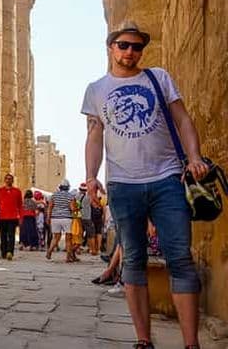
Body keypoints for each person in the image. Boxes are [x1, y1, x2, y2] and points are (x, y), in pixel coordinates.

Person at [82, 21, 208, 349]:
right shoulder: (96, 89)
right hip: (123, 185)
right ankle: (143, 340)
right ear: (111, 48)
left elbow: (182, 119)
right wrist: (92, 175)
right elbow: (95, 135)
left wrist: (194, 156)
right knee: (134, 260)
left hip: (167, 179)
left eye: (136, 47)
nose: (130, 52)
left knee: (180, 257)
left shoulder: (159, 78)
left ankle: (191, 343)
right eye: (123, 45)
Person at [0, 173, 22, 260]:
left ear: (12, 181)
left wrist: (21, 217)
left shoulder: (17, 191)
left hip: (13, 217)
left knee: (11, 235)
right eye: (6, 178)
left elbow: (20, 206)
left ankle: (10, 252)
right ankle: (3, 253)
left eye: (10, 179)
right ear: (4, 180)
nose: (8, 180)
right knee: (3, 236)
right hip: (2, 217)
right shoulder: (0, 191)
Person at [45, 179, 78, 262]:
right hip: (66, 218)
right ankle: (68, 257)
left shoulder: (54, 195)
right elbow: (72, 208)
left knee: (55, 237)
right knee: (68, 238)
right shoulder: (70, 196)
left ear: (60, 187)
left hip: (55, 218)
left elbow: (50, 207)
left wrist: (48, 218)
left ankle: (49, 251)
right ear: (68, 188)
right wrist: (76, 208)